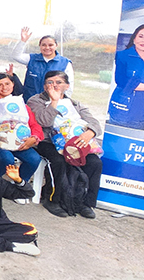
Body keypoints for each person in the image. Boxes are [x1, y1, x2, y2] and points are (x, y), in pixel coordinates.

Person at [28, 70, 104, 219]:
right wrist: (54, 102)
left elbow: (94, 123)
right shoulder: (35, 101)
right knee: (58, 161)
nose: (54, 85)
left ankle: (84, 203)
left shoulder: (74, 104)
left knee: (95, 163)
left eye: (59, 82)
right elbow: (44, 121)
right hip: (48, 141)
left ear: (67, 86)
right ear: (44, 86)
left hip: (74, 142)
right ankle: (52, 199)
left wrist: (90, 132)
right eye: (50, 82)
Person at [0, 69, 45, 183]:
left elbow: (33, 124)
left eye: (7, 83)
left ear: (13, 84)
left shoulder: (20, 103)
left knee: (34, 159)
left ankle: (20, 184)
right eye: (0, 85)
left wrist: (34, 138)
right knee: (7, 159)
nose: (4, 87)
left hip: (20, 141)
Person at [12, 27, 74, 101]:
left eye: (50, 45)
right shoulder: (32, 59)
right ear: (40, 46)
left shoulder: (65, 63)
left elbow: (69, 85)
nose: (47, 48)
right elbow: (16, 56)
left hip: (52, 102)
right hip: (30, 101)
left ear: (56, 46)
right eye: (43, 45)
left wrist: (62, 101)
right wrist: (23, 41)